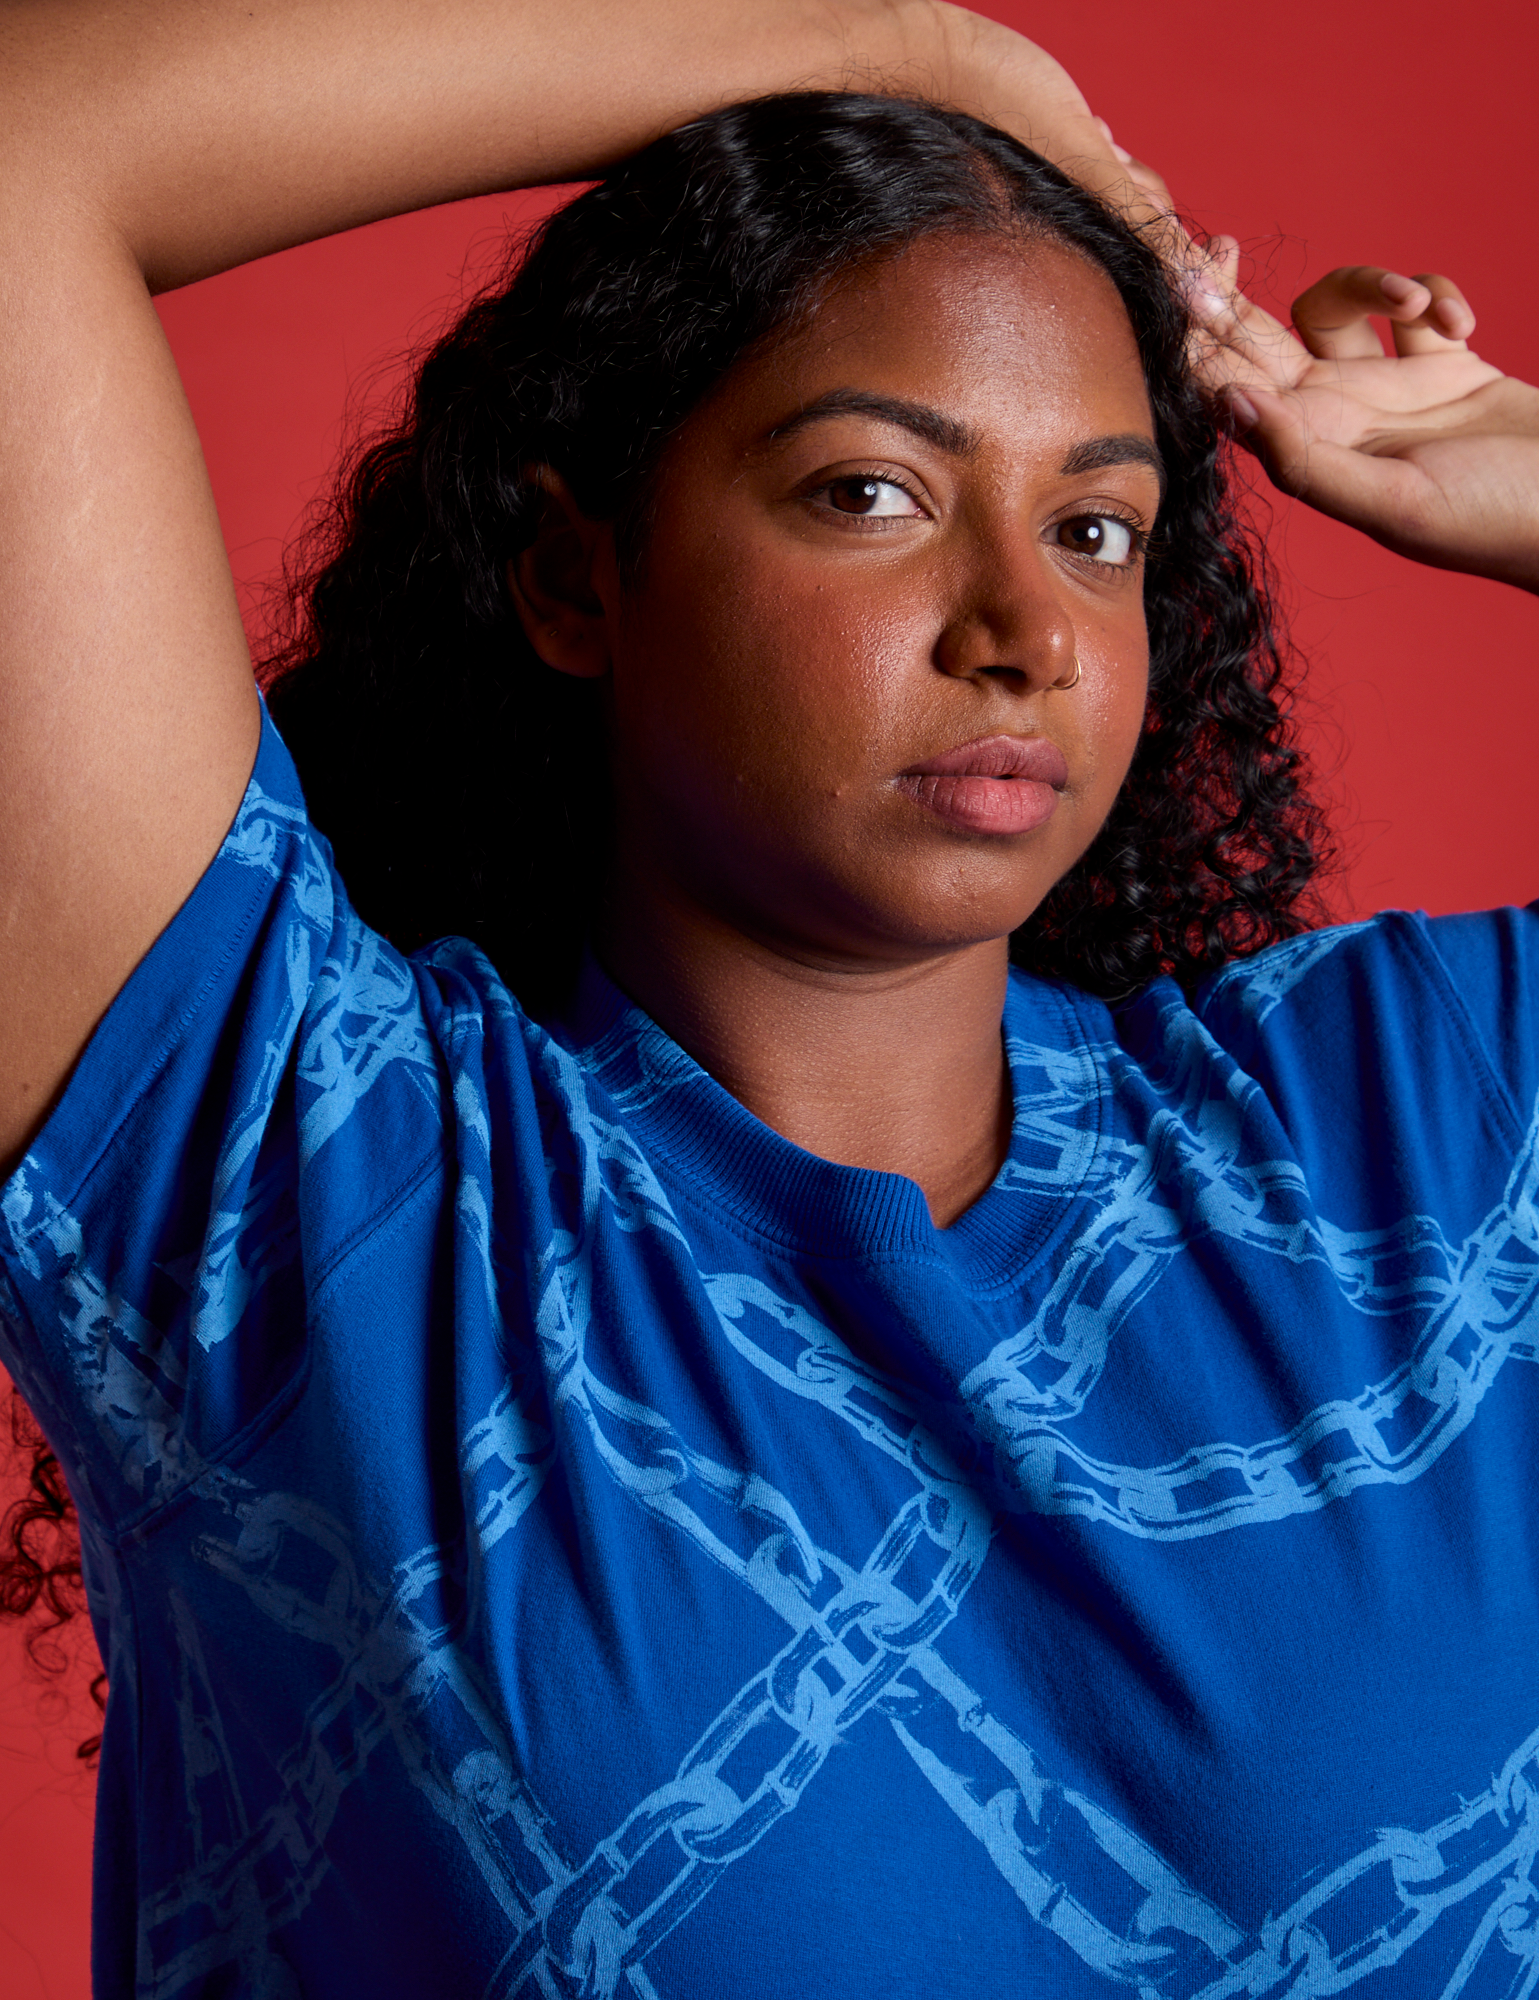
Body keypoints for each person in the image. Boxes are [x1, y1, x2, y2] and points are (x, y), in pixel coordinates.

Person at [3, 4, 1538, 1996]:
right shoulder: (306, 1190)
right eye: (871, 491)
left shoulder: (1427, 1138)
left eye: (1095, 528)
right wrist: (895, 39)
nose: (1020, 629)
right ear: (573, 575)